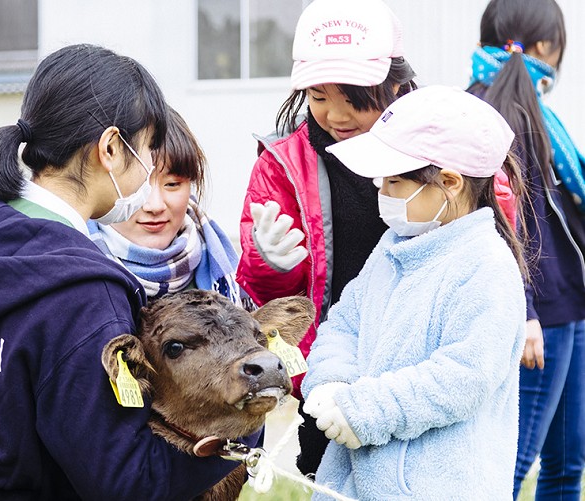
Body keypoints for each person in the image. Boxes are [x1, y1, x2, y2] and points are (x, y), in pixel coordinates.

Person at [0, 44, 257, 500]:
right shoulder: (85, 290)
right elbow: (125, 481)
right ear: (112, 148)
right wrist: (243, 423)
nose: (151, 170)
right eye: (150, 147)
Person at [301, 85, 528, 500]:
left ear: (450, 182)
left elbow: (462, 376)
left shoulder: (487, 267)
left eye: (393, 182)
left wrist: (365, 410)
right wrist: (331, 381)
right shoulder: (393, 247)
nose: (381, 194)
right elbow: (345, 322)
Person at [236, 0, 417, 475]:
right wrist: (270, 263)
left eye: (354, 97)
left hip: (414, 366)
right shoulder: (281, 165)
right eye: (318, 96)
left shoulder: (431, 150)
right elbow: (270, 301)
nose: (335, 115)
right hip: (329, 372)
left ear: (395, 83)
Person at [467, 1, 585, 498]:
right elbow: (494, 219)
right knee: (511, 467)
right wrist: (526, 310)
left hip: (570, 306)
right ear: (545, 48)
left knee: (567, 462)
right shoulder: (482, 111)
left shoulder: (537, 113)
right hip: (540, 317)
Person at [88, 107, 247, 308]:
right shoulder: (77, 268)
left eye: (172, 184)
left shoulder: (221, 266)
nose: (155, 206)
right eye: (139, 184)